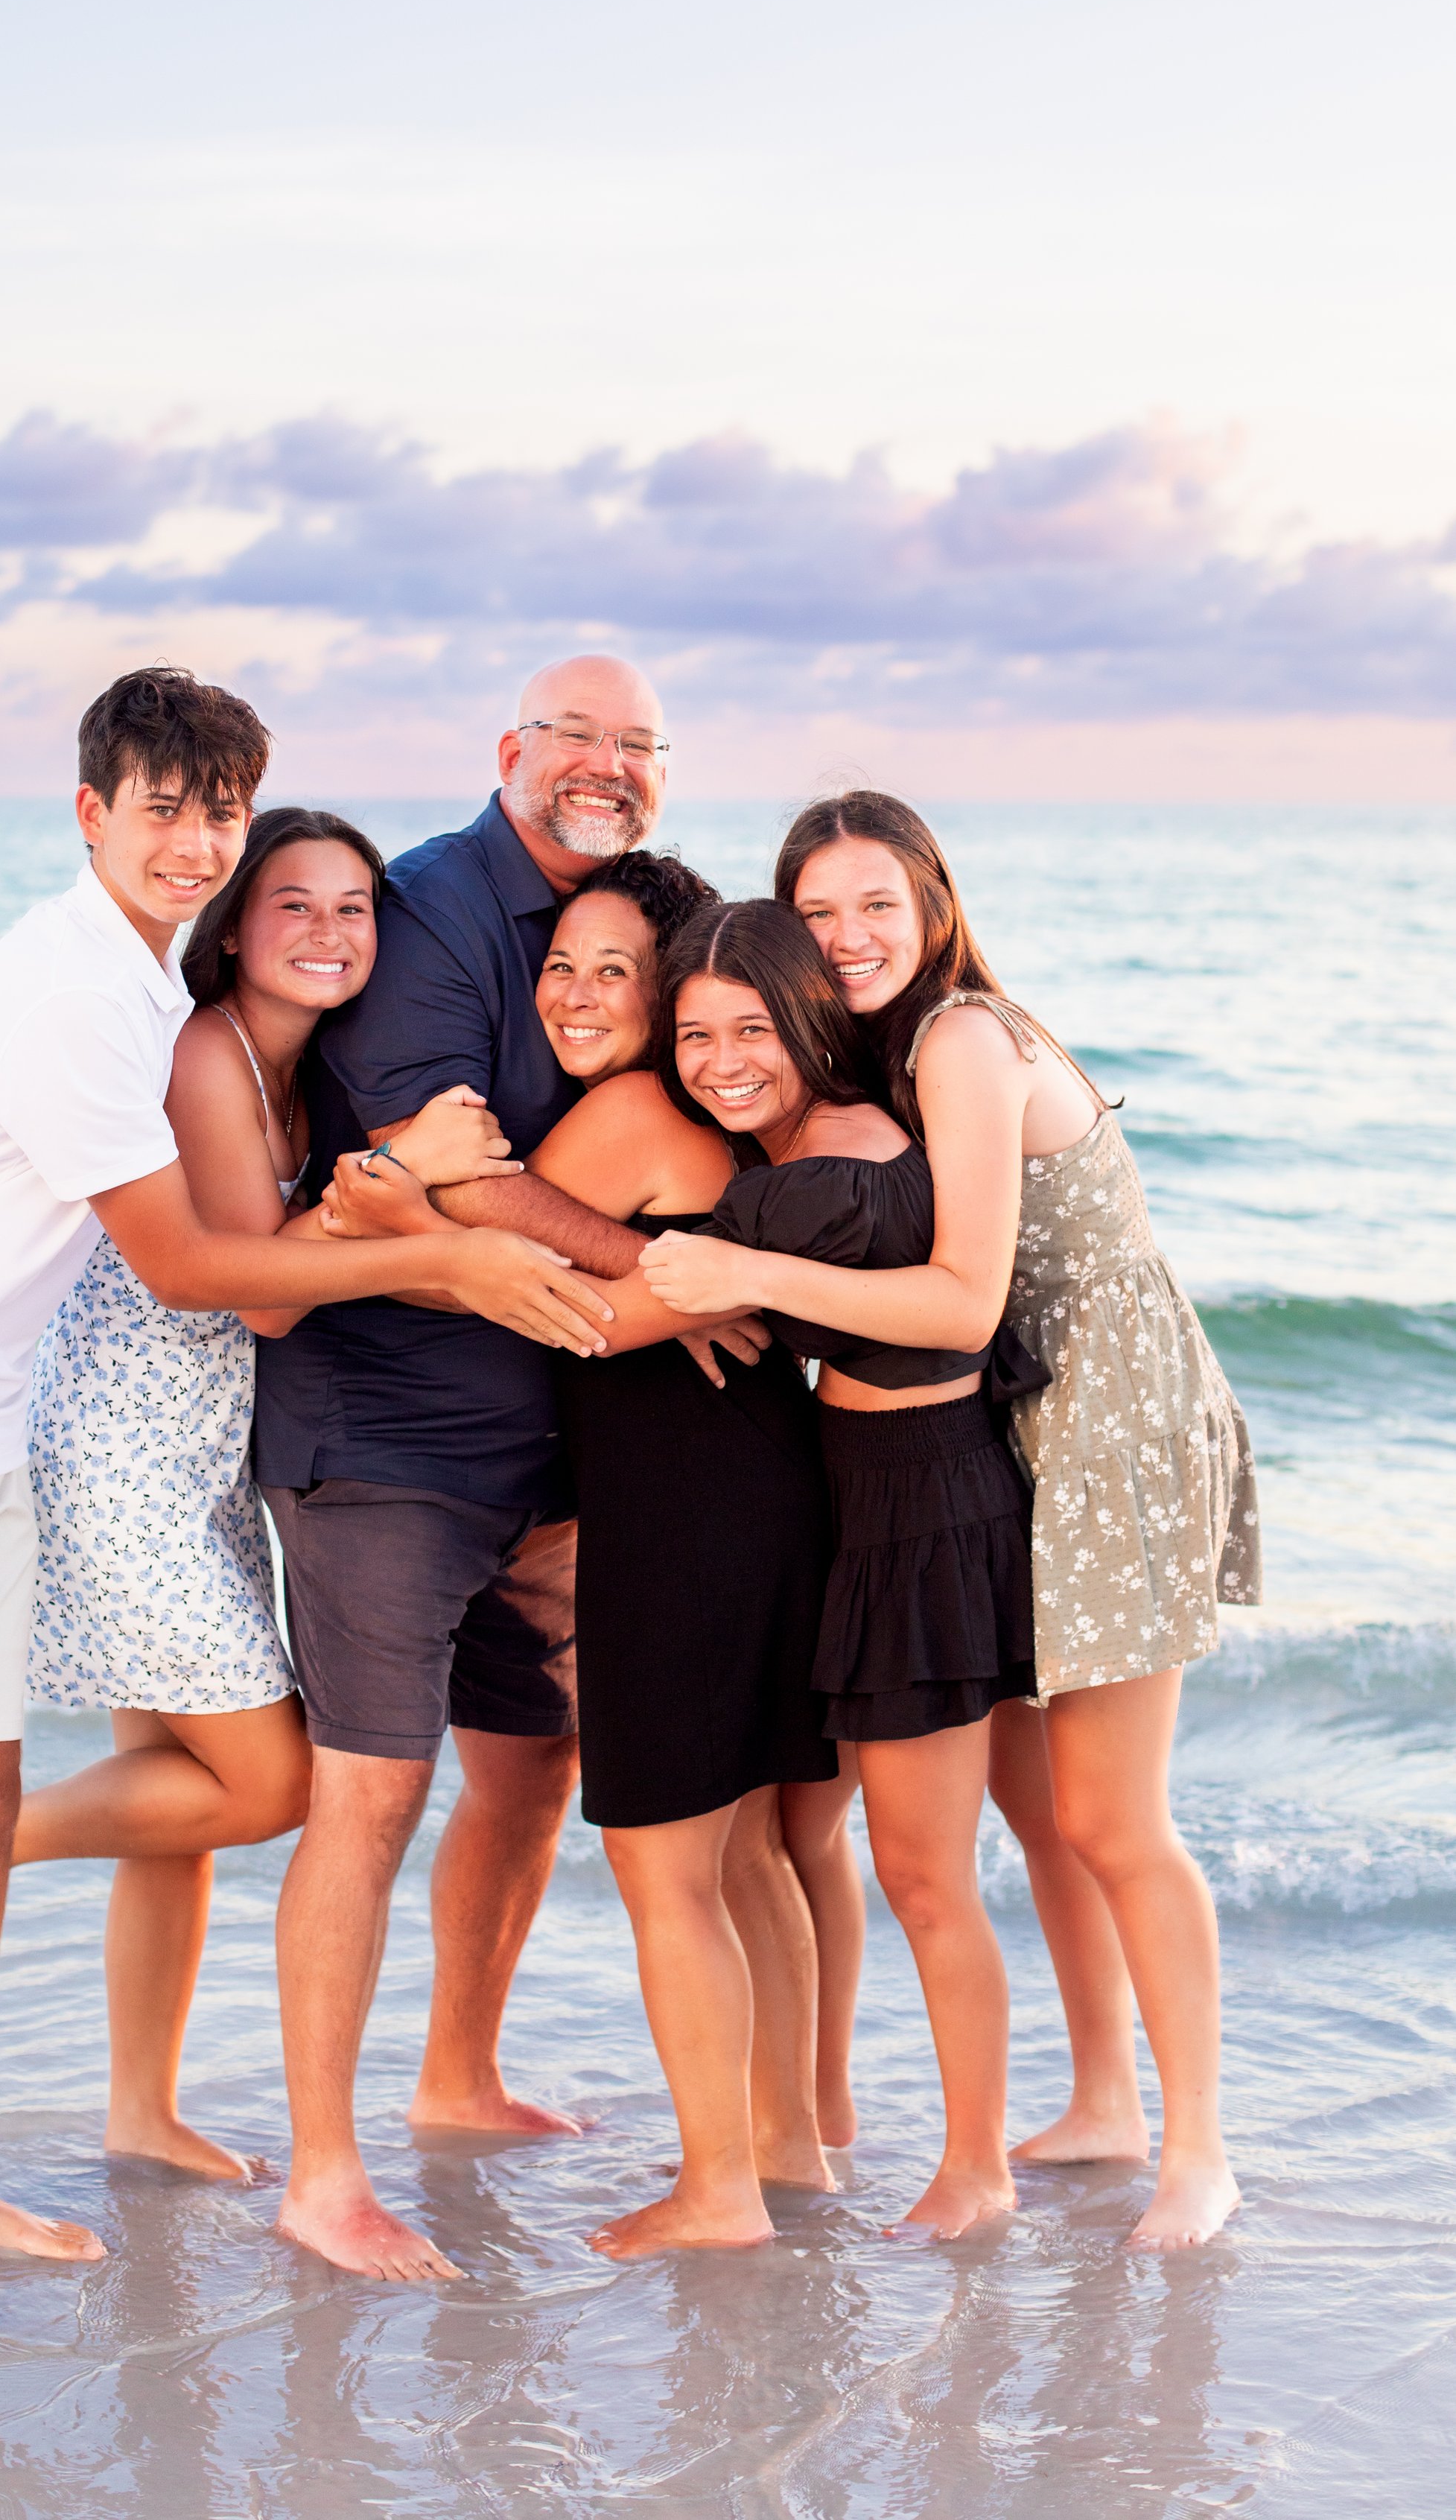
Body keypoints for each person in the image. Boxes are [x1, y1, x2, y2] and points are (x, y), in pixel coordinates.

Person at [0, 667, 612, 2335]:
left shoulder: (153, 989)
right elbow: (198, 1269)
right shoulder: (79, 996)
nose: (195, 843)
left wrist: (388, 1200)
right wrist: (443, 1254)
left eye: (221, 811)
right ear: (91, 814)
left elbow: (237, 1241)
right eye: (165, 810)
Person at [648, 793, 1261, 2249]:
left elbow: (968, 1301)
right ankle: (1102, 2102)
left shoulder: (959, 1039)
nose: (848, 935)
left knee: (1109, 1815)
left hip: (1105, 1422)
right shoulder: (877, 1053)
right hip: (1020, 1420)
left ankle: (1199, 2151)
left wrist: (745, 1275)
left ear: (933, 898)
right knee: (1040, 1812)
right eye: (817, 913)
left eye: (877, 902)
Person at [254, 653, 754, 2282]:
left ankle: (457, 2075)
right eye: (574, 736)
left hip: (543, 1440)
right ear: (509, 750)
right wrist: (676, 1276)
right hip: (387, 1435)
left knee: (529, 1770)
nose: (605, 764)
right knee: (370, 1791)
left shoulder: (628, 919)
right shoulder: (430, 912)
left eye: (638, 743)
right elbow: (447, 1187)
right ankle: (321, 2176)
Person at [12, 809, 517, 2183]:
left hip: (205, 1454)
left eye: (355, 908)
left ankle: (140, 2108)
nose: (330, 932)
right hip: (126, 1449)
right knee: (265, 1779)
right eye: (294, 904)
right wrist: (404, 1187)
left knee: (168, 1805)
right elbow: (262, 1292)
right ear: (234, 925)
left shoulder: (293, 1066)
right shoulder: (205, 1055)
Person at [647, 898, 1037, 2236]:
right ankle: (822, 2116)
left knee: (923, 1871)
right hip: (872, 1492)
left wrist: (430, 1222)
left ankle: (976, 2168)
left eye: (751, 1028)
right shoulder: (830, 1141)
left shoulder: (815, 1175)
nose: (721, 1061)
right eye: (694, 1035)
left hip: (919, 1513)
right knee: (818, 1836)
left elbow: (635, 1303)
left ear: (810, 1017)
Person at [528, 853, 847, 2253]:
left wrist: (404, 1178)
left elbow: (495, 1258)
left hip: (682, 1523)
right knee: (752, 1853)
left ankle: (718, 2191)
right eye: (561, 964)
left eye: (617, 970)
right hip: (772, 1493)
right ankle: (786, 2152)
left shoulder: (631, 1113)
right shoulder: (743, 1133)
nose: (580, 994)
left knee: (667, 1871)